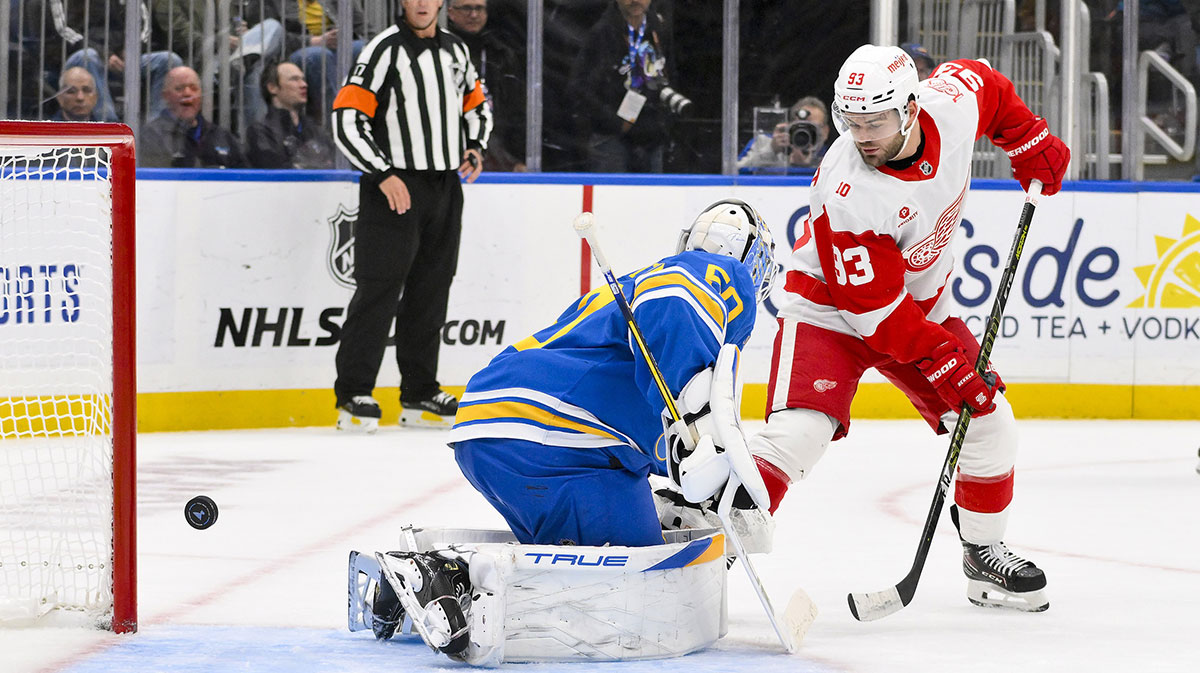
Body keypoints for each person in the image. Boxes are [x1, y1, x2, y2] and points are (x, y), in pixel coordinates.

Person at [359, 200, 778, 661]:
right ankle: (443, 572)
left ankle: (435, 590)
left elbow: (663, 443)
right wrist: (699, 419)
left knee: (578, 567)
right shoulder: (713, 271)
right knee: (637, 590)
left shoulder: (644, 289)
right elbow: (674, 299)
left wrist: (699, 488)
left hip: (510, 425)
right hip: (556, 438)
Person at [747, 45, 1070, 613]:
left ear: (911, 108)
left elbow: (988, 87)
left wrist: (1026, 137)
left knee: (989, 422)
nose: (862, 134)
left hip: (919, 308)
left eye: (875, 121)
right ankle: (711, 544)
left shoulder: (949, 104)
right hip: (830, 312)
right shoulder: (847, 187)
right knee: (799, 433)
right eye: (851, 121)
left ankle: (984, 557)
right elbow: (872, 310)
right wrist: (943, 360)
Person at [331, 0, 492, 432]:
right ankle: (353, 393)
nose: (422, 4)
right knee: (378, 289)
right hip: (395, 187)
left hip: (444, 186)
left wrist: (475, 146)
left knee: (431, 289)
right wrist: (382, 172)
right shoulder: (383, 50)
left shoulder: (457, 51)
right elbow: (347, 118)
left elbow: (477, 105)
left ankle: (419, 392)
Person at [572, 0, 688, 173]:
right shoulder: (602, 33)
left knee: (652, 198)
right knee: (612, 198)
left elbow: (670, 75)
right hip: (611, 138)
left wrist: (663, 123)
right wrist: (614, 122)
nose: (634, 0)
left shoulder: (658, 29)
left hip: (652, 136)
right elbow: (578, 88)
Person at [446, 0, 527, 171]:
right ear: (450, 13)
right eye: (467, 8)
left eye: (479, 8)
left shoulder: (501, 54)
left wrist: (512, 159)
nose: (473, 14)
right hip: (449, 159)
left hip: (497, 158)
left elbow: (515, 113)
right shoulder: (440, 53)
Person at [139, 66, 247, 168]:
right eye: (179, 88)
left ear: (200, 95)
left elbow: (246, 179)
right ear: (166, 96)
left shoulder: (222, 135)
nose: (187, 93)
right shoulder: (151, 136)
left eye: (193, 88)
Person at [245, 60, 336, 168]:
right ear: (272, 88)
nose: (304, 85)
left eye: (303, 79)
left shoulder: (315, 130)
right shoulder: (261, 132)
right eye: (294, 79)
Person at [737, 96, 831, 172]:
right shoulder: (764, 144)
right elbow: (737, 172)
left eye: (813, 128)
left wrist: (809, 167)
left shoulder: (834, 155)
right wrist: (771, 150)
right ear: (789, 126)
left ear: (826, 131)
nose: (805, 134)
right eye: (800, 127)